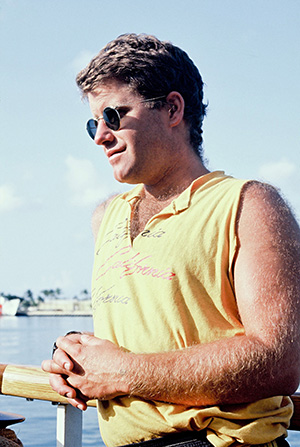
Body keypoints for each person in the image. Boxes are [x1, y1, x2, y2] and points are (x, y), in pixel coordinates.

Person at [42, 33, 300, 447]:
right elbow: (150, 331)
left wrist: (120, 373)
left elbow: (277, 361)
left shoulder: (249, 205)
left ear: (173, 108)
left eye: (114, 115)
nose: (100, 136)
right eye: (94, 122)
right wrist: (75, 357)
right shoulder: (105, 218)